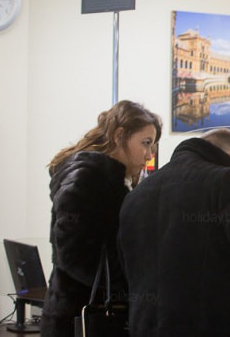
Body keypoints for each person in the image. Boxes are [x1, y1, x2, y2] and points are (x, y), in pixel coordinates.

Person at [118, 127, 230, 337]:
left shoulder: (136, 194)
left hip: (144, 326)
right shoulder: (225, 179)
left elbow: (125, 265)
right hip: (207, 326)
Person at [41, 100, 162, 337]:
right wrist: (131, 280)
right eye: (145, 143)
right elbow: (72, 255)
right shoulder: (87, 178)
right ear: (119, 136)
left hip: (89, 313)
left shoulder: (114, 179)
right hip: (81, 318)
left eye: (152, 146)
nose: (149, 155)